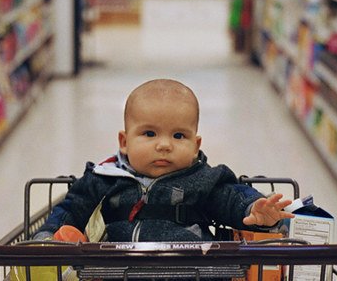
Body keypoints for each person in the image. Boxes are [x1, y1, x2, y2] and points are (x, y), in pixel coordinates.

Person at [34, 78, 294, 242]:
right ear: (124, 142)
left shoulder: (203, 180)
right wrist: (47, 237)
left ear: (196, 146)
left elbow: (232, 198)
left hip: (190, 271)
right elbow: (71, 209)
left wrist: (255, 211)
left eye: (179, 135)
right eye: (149, 133)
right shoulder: (103, 178)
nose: (164, 145)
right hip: (113, 270)